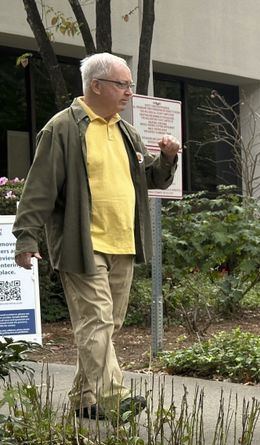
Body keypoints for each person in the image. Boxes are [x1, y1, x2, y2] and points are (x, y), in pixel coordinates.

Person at [13, 52, 180, 424]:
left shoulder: (126, 131)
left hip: (124, 243)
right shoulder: (63, 129)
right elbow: (38, 189)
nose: (129, 93)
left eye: (130, 85)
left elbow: (151, 179)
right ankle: (112, 396)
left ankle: (83, 397)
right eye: (123, 85)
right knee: (96, 323)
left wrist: (167, 159)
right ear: (96, 86)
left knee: (106, 325)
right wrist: (26, 238)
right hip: (81, 243)